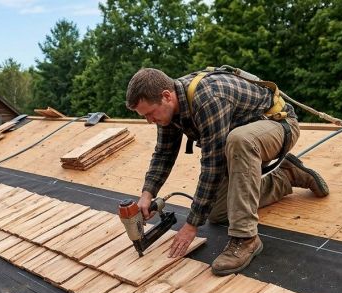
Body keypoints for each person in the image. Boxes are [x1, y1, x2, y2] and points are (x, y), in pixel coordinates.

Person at [126, 67, 329, 275]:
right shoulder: (169, 107)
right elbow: (164, 153)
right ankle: (285, 176)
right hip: (245, 144)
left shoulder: (208, 97)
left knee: (239, 140)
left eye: (150, 114)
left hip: (280, 126)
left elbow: (213, 165)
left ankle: (246, 238)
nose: (149, 121)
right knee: (218, 212)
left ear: (166, 96)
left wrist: (191, 225)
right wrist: (147, 194)